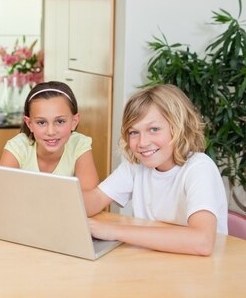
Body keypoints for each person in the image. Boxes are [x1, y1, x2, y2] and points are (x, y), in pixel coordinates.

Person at [84, 84, 228, 256]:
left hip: (200, 270)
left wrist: (113, 231)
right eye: (133, 132)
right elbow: (95, 200)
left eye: (154, 129)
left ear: (179, 128)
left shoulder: (199, 168)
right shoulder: (136, 166)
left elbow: (202, 242)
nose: (142, 142)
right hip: (155, 261)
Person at [0, 81, 99, 190]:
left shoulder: (79, 145)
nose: (51, 132)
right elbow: (1, 195)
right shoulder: (17, 147)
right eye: (41, 122)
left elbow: (89, 200)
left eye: (60, 121)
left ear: (74, 122)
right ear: (29, 124)